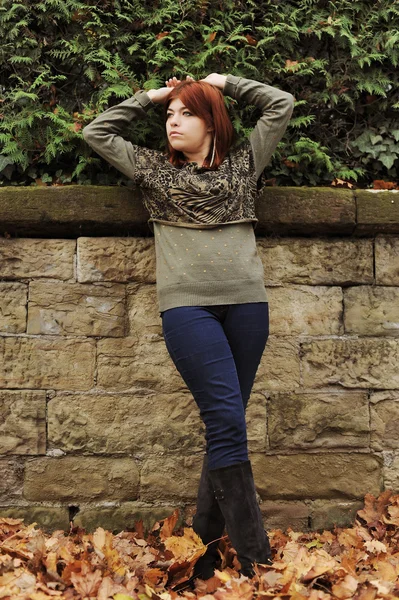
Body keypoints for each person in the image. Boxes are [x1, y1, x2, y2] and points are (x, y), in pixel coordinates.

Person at [82, 72, 294, 581]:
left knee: (228, 425)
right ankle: (256, 563)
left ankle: (200, 553)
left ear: (212, 120)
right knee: (226, 423)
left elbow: (281, 103)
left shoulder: (244, 165)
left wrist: (225, 81)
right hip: (188, 310)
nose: (173, 122)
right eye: (169, 116)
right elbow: (96, 132)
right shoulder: (153, 170)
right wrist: (151, 96)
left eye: (186, 113)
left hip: (247, 307)